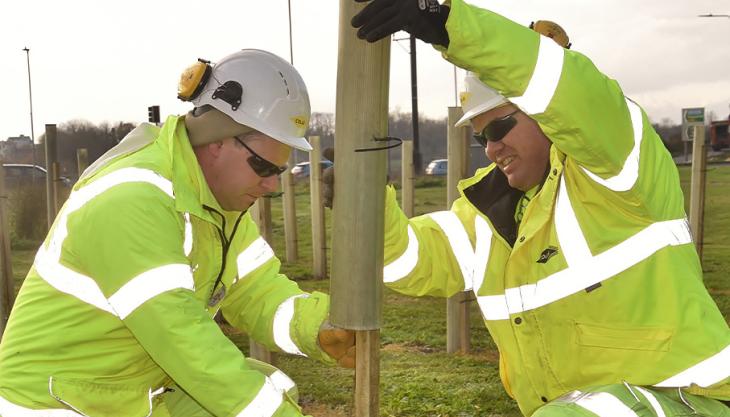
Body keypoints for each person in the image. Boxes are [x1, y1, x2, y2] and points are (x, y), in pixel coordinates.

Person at [348, 1, 730, 416]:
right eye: (481, 139)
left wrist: (449, 27)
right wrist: (364, 193)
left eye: (498, 129)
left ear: (547, 117)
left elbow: (571, 91)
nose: (492, 149)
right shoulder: (486, 212)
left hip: (686, 401)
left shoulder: (618, 171)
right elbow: (408, 260)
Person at [0, 49, 355, 417]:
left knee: (271, 386)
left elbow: (256, 290)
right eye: (263, 166)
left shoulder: (215, 202)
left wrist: (317, 330)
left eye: (277, 172)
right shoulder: (132, 198)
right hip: (54, 403)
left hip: (125, 392)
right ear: (218, 139)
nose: (268, 184)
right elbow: (181, 338)